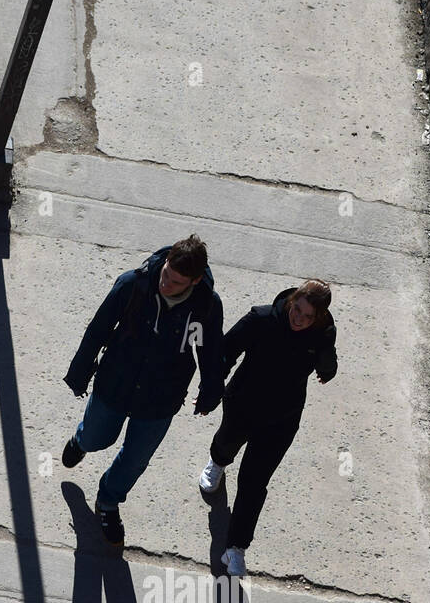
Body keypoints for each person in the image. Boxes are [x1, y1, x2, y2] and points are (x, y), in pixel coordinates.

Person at [62, 235, 224, 546]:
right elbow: (98, 328)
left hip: (160, 398)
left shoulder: (205, 307)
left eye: (176, 282)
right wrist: (80, 373)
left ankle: (108, 502)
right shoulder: (133, 285)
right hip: (115, 384)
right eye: (165, 274)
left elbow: (210, 350)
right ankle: (82, 440)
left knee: (135, 459)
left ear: (195, 280)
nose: (166, 284)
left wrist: (210, 392)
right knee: (99, 437)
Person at [198, 280, 338, 576]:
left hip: (281, 420)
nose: (298, 318)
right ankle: (217, 462)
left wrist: (326, 364)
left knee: (254, 483)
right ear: (291, 300)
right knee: (226, 444)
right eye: (296, 309)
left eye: (307, 316)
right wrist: (211, 391)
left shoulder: (322, 335)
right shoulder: (261, 319)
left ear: (319, 317)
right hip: (242, 405)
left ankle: (236, 547)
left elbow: (329, 367)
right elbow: (226, 351)